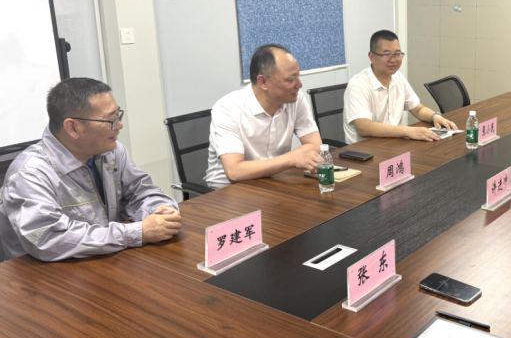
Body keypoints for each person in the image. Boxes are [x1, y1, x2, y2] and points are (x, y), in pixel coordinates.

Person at [0, 78, 181, 262]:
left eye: (118, 115)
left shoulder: (111, 152)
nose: (119, 125)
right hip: (43, 275)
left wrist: (160, 211)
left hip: (101, 261)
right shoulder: (29, 173)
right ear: (73, 127)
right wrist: (135, 233)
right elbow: (48, 239)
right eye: (110, 120)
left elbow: (140, 191)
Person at [206, 44, 322, 189]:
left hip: (273, 181)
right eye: (290, 80)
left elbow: (316, 145)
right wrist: (291, 159)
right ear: (263, 82)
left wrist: (289, 160)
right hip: (228, 191)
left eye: (298, 76)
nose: (299, 84)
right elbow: (234, 172)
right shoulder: (227, 108)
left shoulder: (296, 99)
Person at [343, 30, 457, 145]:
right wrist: (407, 131)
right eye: (387, 54)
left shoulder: (398, 78)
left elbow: (418, 109)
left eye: (397, 54)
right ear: (371, 56)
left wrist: (435, 117)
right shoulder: (358, 86)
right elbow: (364, 128)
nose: (393, 60)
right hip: (363, 150)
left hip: (392, 145)